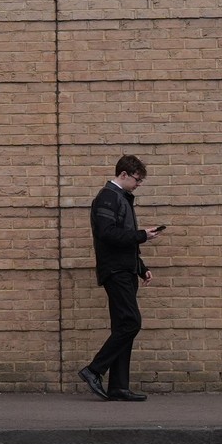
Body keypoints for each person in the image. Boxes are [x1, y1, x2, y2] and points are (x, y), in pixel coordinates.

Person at [77, 154, 160, 402]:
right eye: (137, 179)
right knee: (130, 323)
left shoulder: (121, 198)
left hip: (124, 270)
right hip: (115, 272)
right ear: (123, 175)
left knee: (123, 326)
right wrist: (142, 235)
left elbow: (124, 239)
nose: (138, 184)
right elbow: (107, 234)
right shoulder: (107, 197)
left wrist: (140, 266)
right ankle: (93, 370)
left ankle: (118, 387)